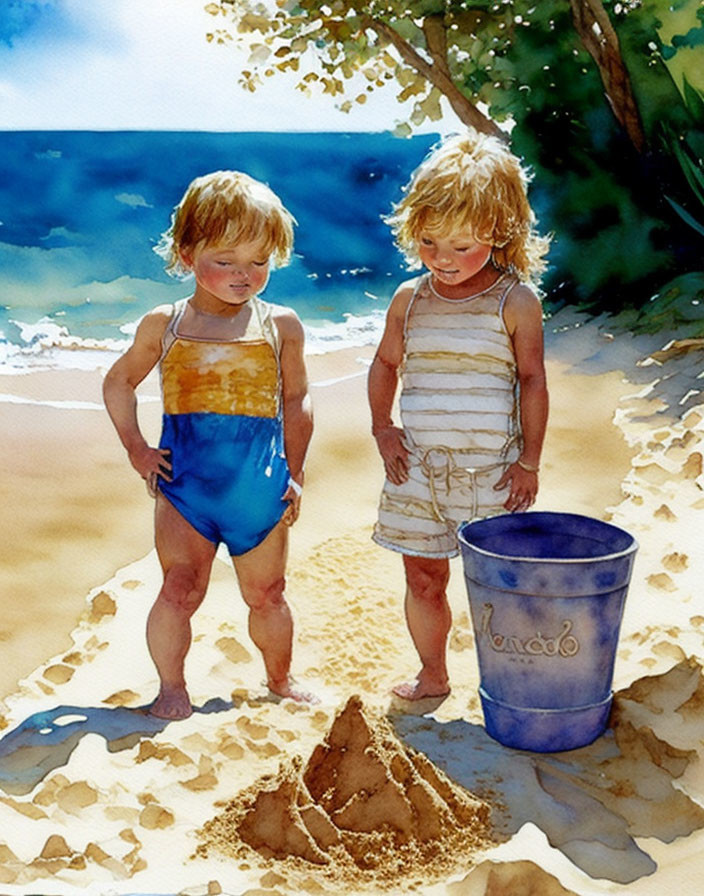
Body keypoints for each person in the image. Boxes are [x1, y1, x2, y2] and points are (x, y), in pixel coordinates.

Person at [103, 170, 314, 719]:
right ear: (186, 250)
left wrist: (295, 472)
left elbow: (297, 401)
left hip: (259, 488)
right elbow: (118, 381)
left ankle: (280, 679)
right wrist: (137, 449)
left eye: (260, 261)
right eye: (226, 260)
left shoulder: (280, 326)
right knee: (178, 590)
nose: (244, 275)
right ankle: (171, 689)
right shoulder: (166, 324)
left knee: (268, 593)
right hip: (185, 487)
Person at [368, 129, 550, 701]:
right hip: (418, 472)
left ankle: (516, 677)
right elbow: (384, 363)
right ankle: (433, 674)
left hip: (491, 474)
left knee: (500, 584)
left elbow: (532, 381)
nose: (443, 260)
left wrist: (530, 461)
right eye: (429, 243)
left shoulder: (514, 301)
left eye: (461, 246)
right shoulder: (409, 298)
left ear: (499, 234)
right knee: (423, 576)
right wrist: (382, 427)